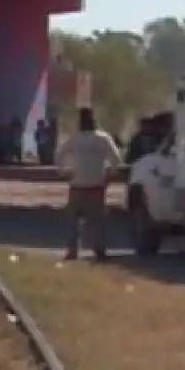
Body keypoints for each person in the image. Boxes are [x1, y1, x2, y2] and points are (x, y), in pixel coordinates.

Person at [56, 107, 123, 261]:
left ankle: (72, 251)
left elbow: (59, 156)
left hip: (77, 184)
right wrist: (109, 176)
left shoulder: (74, 138)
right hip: (97, 184)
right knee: (97, 221)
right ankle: (99, 251)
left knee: (73, 220)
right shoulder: (103, 138)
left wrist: (64, 173)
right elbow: (116, 160)